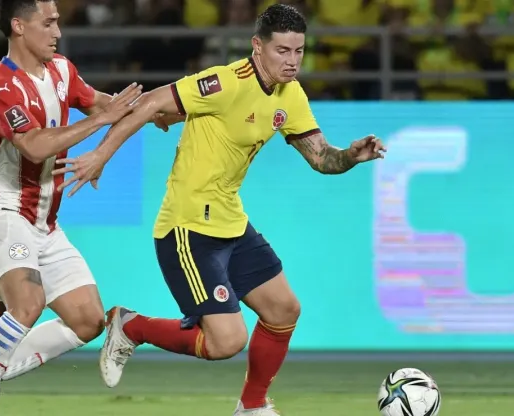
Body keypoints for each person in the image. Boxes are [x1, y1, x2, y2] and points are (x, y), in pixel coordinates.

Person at [55, 4, 387, 415]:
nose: (292, 61)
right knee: (226, 342)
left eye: (299, 51)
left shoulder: (291, 94)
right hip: (188, 227)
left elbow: (320, 157)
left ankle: (253, 406)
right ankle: (129, 325)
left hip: (230, 221)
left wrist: (350, 156)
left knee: (284, 309)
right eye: (283, 51)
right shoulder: (224, 82)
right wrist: (101, 154)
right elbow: (149, 104)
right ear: (257, 47)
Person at [0, 1, 145, 415]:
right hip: (3, 215)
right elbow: (36, 145)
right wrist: (100, 121)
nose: (57, 31)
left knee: (89, 321)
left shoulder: (61, 70)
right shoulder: (1, 85)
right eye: (49, 23)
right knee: (27, 306)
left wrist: (159, 112)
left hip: (45, 224)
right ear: (19, 26)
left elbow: (100, 103)